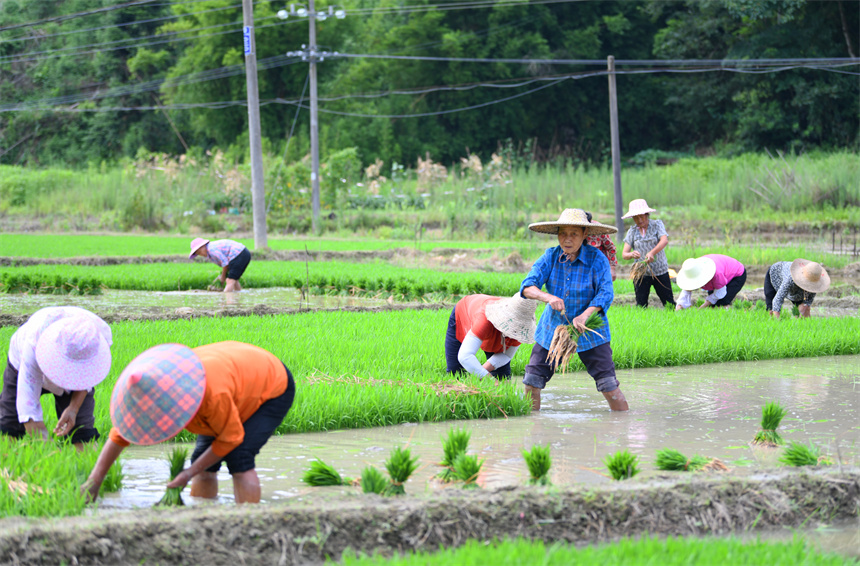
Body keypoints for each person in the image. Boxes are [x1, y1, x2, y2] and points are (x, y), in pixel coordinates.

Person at [84, 341, 296, 504]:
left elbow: (231, 439)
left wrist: (187, 474)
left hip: (271, 386)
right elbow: (119, 436)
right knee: (204, 462)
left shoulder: (211, 395)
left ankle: (251, 524)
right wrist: (94, 482)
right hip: (233, 382)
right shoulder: (152, 391)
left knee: (239, 457)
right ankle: (203, 516)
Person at [519, 208, 628, 412]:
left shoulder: (597, 260)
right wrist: (548, 297)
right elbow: (527, 286)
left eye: (574, 234)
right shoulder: (550, 257)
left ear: (585, 235)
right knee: (532, 381)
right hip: (553, 329)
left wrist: (585, 314)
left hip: (590, 331)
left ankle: (624, 430)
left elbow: (605, 293)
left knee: (609, 387)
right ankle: (532, 428)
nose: (567, 240)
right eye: (563, 234)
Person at [1, 306, 111, 447]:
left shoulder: (93, 339)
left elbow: (87, 379)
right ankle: (6, 465)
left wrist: (73, 408)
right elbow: (27, 407)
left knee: (82, 432)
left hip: (67, 354)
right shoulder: (33, 346)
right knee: (9, 425)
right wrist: (49, 451)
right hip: (23, 362)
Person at [445, 293, 537, 379]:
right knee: (456, 372)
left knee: (502, 377)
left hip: (491, 328)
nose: (514, 331)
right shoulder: (485, 319)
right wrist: (488, 378)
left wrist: (482, 372)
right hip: (464, 313)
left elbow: (507, 355)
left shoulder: (521, 330)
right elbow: (465, 357)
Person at [620, 199, 675, 308]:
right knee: (641, 305)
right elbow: (624, 254)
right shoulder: (632, 231)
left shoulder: (657, 225)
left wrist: (652, 253)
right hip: (641, 272)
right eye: (636, 217)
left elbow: (664, 240)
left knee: (669, 303)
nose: (639, 220)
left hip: (660, 270)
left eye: (642, 216)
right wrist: (632, 254)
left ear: (647, 214)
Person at [675, 254, 747, 310]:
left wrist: (701, 308)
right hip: (719, 277)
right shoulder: (692, 269)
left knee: (721, 304)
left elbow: (720, 293)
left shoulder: (715, 273)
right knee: (713, 305)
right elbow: (686, 291)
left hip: (737, 275)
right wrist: (679, 305)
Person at [765, 259, 830, 318]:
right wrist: (777, 321)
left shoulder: (814, 284)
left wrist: (803, 309)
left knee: (803, 310)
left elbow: (808, 302)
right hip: (775, 275)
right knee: (771, 310)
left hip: (796, 289)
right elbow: (778, 299)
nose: (810, 286)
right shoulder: (791, 279)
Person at [585, 211, 618, 281]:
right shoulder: (573, 231)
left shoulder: (598, 229)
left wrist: (612, 269)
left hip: (600, 267)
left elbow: (611, 248)